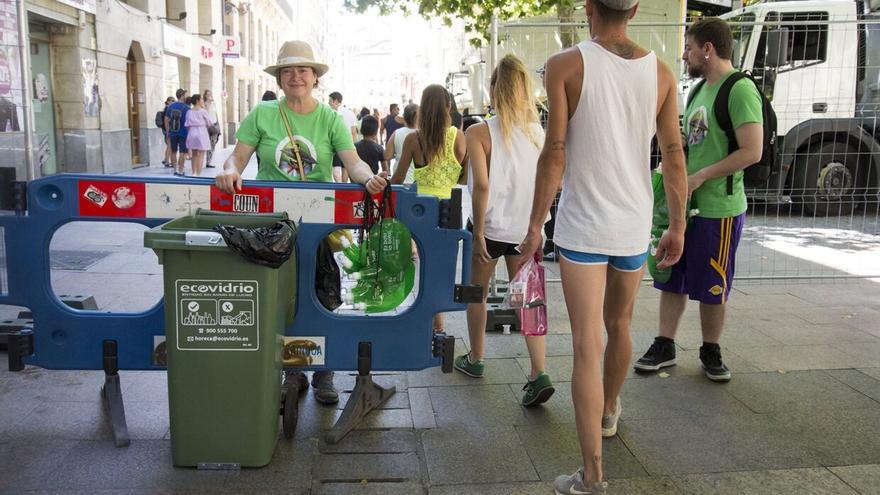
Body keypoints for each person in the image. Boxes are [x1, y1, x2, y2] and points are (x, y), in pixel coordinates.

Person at [516, 0, 688, 493]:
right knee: (620, 325)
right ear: (634, 9)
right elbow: (673, 154)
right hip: (633, 222)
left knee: (586, 345)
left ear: (588, 6)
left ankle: (592, 476)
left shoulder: (566, 65)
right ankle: (610, 410)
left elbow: (555, 150)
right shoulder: (660, 72)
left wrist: (534, 224)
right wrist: (675, 224)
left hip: (584, 227)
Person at [215, 40, 388, 405]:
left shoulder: (329, 118)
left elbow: (351, 162)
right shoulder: (262, 114)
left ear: (314, 79)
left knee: (325, 293)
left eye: (303, 70)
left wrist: (367, 177)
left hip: (320, 224)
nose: (295, 76)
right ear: (280, 78)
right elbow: (237, 158)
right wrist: (228, 171)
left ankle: (324, 372)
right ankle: (293, 371)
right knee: (282, 296)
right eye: (288, 70)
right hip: (273, 225)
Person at [634, 17, 763, 383]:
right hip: (685, 206)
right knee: (671, 275)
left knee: (712, 284)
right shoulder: (696, 91)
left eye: (689, 47)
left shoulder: (738, 90)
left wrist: (701, 176)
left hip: (718, 210)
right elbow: (692, 145)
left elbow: (752, 150)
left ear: (708, 48)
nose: (685, 54)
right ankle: (665, 344)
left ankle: (710, 349)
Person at [454, 54, 554, 407]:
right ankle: (538, 371)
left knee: (476, 295)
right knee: (530, 298)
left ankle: (476, 359)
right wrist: (538, 226)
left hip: (491, 227)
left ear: (494, 89)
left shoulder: (478, 132)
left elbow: (480, 185)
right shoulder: (539, 133)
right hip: (525, 230)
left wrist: (478, 231)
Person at [391, 84, 466, 333]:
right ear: (448, 107)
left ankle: (428, 319)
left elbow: (398, 178)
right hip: (449, 211)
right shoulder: (458, 136)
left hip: (421, 212)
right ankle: (438, 324)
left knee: (424, 266)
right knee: (442, 270)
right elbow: (464, 177)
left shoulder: (415, 138)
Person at [383, 103, 418, 183]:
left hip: (399, 178)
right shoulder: (424, 134)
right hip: (419, 180)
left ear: (404, 117)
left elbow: (387, 156)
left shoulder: (397, 133)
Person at [184, 94, 213, 176]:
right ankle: (198, 173)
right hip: (202, 132)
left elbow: (187, 124)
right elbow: (209, 123)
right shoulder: (203, 111)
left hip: (192, 132)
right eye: (201, 100)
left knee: (194, 154)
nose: (202, 101)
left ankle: (193, 173)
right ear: (197, 101)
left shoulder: (189, 111)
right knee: (201, 154)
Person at [164, 89, 189, 176]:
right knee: (182, 152)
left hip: (173, 132)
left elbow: (166, 120)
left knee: (173, 151)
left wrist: (167, 131)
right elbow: (188, 122)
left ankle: (175, 169)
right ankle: (181, 170)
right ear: (182, 96)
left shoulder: (170, 107)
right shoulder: (187, 107)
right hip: (183, 132)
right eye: (185, 95)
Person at [203, 89, 220, 168]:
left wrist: (218, 124)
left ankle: (209, 161)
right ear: (205, 95)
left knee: (213, 143)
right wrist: (209, 103)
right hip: (207, 126)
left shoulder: (214, 103)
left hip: (214, 125)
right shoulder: (204, 104)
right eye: (208, 94)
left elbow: (215, 114)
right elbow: (205, 114)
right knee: (207, 144)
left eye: (210, 94)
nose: (210, 95)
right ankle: (207, 161)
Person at [159, 96, 175, 167]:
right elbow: (167, 120)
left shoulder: (167, 108)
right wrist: (168, 131)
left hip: (167, 129)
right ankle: (167, 161)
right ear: (168, 101)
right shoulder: (168, 109)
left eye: (174, 100)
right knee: (169, 145)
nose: (173, 102)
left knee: (169, 145)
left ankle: (166, 160)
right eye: (172, 100)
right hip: (167, 129)